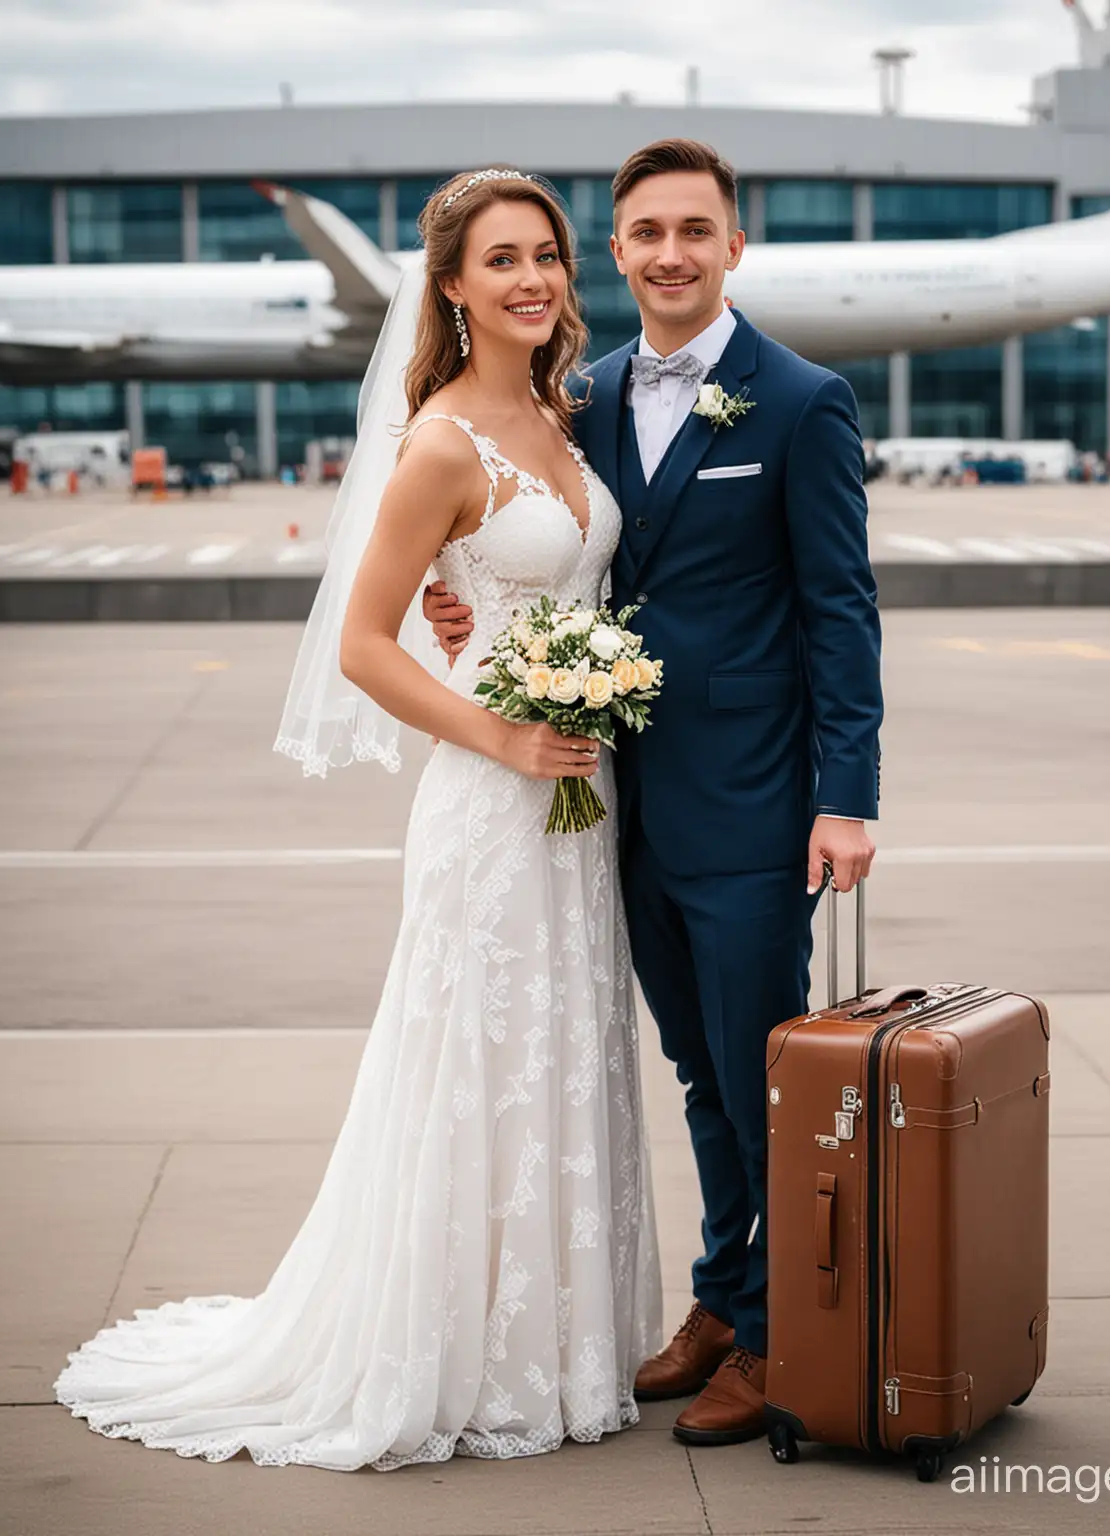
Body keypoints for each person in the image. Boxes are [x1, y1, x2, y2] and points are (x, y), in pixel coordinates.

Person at [53, 168, 661, 1472]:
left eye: (547, 255)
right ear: (450, 286)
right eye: (501, 260)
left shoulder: (565, 413)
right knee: (478, 1074)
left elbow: (530, 586)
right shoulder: (442, 440)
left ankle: (564, 1351)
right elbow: (368, 649)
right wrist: (503, 732)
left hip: (581, 803)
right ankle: (462, 1356)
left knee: (564, 1058)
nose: (534, 279)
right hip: (491, 809)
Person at [426, 139, 884, 1447]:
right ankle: (725, 1300)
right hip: (606, 805)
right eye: (645, 233)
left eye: (697, 230)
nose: (671, 253)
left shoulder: (801, 401)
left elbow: (840, 613)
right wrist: (466, 611)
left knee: (763, 1078)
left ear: (733, 245)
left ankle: (784, 1333)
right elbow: (547, 551)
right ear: (616, 256)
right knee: (696, 1071)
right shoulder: (584, 394)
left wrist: (843, 796)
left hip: (750, 806)